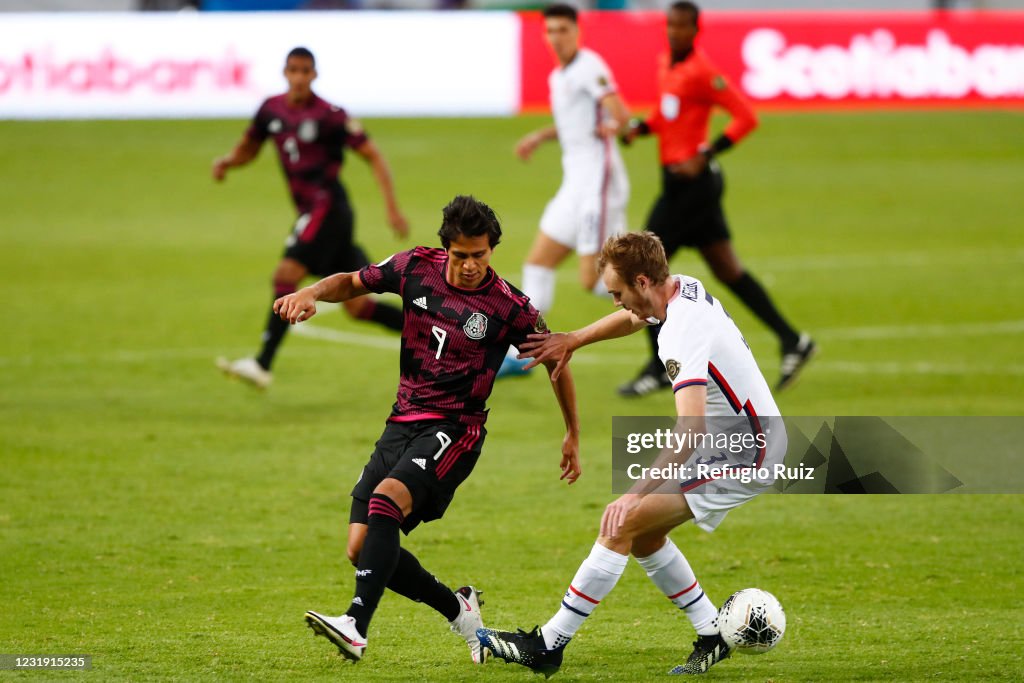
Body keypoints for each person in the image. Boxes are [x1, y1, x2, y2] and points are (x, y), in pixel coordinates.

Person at [273, 195, 582, 664]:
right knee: (361, 549)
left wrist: (572, 432)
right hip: (402, 420)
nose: (471, 265)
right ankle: (458, 609)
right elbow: (352, 282)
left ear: (491, 250)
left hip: (456, 428)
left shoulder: (509, 306)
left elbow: (556, 360)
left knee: (386, 502)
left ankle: (355, 624)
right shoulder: (415, 267)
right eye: (461, 256)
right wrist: (312, 292)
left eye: (480, 255)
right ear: (446, 249)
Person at [477, 231, 787, 676]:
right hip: (739, 436)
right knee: (643, 535)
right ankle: (711, 632)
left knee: (624, 521)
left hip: (746, 450)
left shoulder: (682, 332)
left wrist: (634, 493)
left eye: (617, 292)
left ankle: (548, 644)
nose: (616, 302)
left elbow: (691, 427)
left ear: (642, 282)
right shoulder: (677, 287)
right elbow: (633, 318)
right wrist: (574, 339)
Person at [617, 2, 814, 397]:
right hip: (676, 185)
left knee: (642, 268)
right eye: (670, 25)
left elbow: (745, 116)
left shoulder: (703, 72)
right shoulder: (667, 65)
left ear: (696, 29)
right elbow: (668, 114)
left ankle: (657, 368)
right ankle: (794, 340)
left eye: (682, 27)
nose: (675, 32)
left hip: (693, 188)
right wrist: (641, 128)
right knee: (728, 270)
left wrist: (705, 154)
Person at [213, 47, 409, 389]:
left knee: (285, 275)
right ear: (285, 73)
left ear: (314, 75)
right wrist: (229, 162)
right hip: (314, 213)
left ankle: (262, 363)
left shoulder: (330, 115)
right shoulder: (270, 110)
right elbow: (250, 147)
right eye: (294, 70)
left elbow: (373, 156)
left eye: (306, 71)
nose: (300, 77)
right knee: (359, 307)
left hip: (328, 209)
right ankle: (447, 333)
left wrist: (391, 208)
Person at [499, 3, 631, 377]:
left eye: (563, 30)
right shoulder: (560, 75)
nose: (556, 37)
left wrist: (615, 124)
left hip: (597, 187)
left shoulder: (590, 66)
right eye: (551, 30)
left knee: (592, 280)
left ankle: (657, 303)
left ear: (577, 31)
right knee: (538, 262)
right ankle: (523, 354)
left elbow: (619, 113)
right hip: (574, 184)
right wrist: (541, 135)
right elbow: (575, 125)